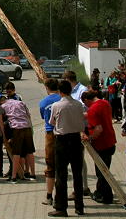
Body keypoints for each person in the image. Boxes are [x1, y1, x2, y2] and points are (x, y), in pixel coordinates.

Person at [48, 79, 86, 218]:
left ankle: (61, 207)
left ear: (60, 91)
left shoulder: (57, 105)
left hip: (62, 140)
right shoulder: (78, 104)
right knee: (77, 174)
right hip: (76, 139)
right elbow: (83, 120)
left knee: (61, 175)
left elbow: (52, 122)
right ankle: (79, 206)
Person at [82, 89, 116, 205]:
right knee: (104, 169)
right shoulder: (104, 103)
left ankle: (106, 196)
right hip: (110, 141)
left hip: (101, 144)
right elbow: (95, 114)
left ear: (87, 100)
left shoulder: (93, 109)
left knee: (101, 172)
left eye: (85, 104)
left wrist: (90, 138)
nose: (86, 106)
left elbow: (98, 129)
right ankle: (100, 192)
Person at [2, 93, 36, 182]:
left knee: (16, 153)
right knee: (30, 151)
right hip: (27, 127)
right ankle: (33, 174)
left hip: (16, 128)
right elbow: (28, 115)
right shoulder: (21, 103)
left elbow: (2, 119)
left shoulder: (4, 106)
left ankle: (13, 176)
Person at [39, 78, 61, 206]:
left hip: (50, 134)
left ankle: (49, 196)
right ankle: (62, 194)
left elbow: (44, 116)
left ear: (47, 88)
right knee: (62, 166)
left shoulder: (43, 102)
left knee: (50, 166)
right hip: (64, 133)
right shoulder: (62, 99)